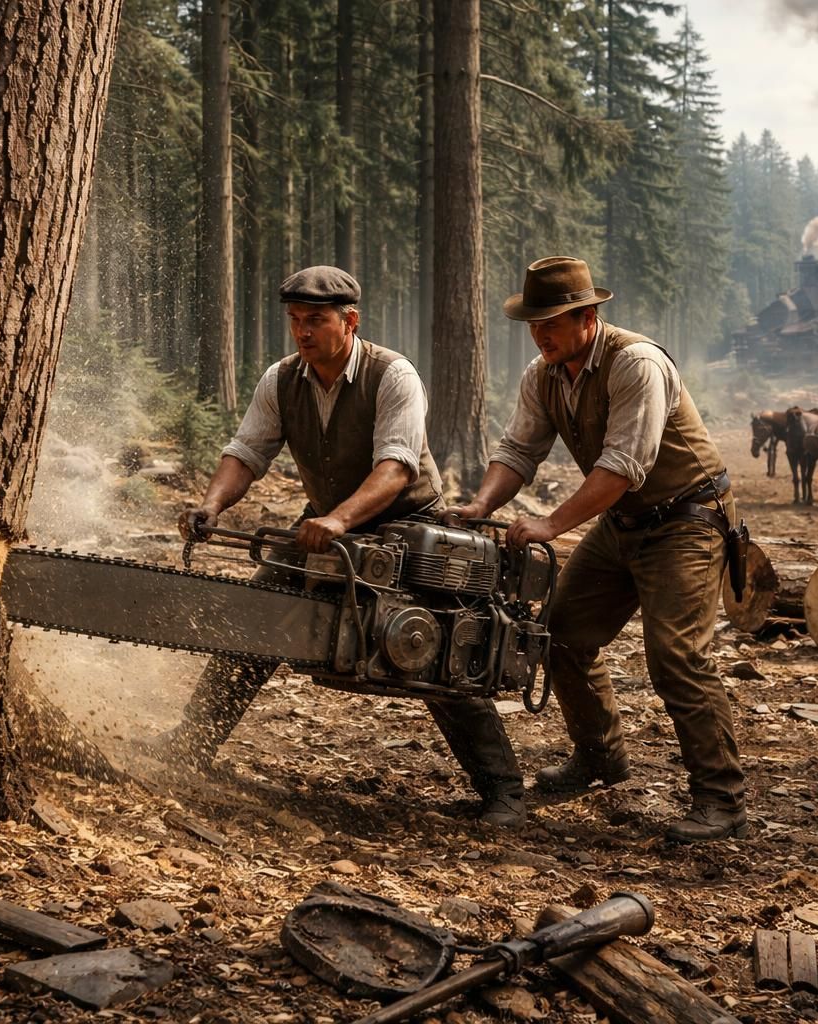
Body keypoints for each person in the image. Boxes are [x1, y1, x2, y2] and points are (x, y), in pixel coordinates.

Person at [164, 265, 527, 827]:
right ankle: (192, 742)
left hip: (411, 528)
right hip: (328, 525)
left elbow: (396, 468)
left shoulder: (393, 375)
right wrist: (213, 504)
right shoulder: (281, 379)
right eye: (295, 321)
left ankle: (505, 792)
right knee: (253, 619)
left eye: (316, 321)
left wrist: (338, 519)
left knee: (441, 653)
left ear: (349, 321)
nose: (303, 333)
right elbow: (246, 453)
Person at [445, 256, 748, 842]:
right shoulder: (544, 374)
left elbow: (623, 468)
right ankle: (601, 760)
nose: (541, 334)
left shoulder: (636, 363)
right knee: (561, 635)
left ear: (588, 317)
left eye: (552, 322)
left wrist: (551, 525)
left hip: (687, 520)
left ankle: (722, 799)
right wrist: (483, 503)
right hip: (623, 524)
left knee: (677, 657)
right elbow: (517, 451)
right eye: (534, 324)